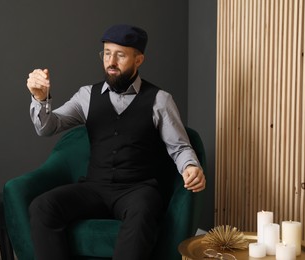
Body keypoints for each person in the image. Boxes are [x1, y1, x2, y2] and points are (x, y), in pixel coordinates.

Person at [26, 24, 206, 260]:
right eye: (107, 53)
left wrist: (191, 166)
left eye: (120, 55)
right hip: (94, 187)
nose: (111, 61)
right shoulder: (87, 95)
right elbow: (47, 127)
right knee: (42, 207)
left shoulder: (160, 100)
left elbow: (179, 147)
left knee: (144, 211)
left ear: (138, 59)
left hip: (138, 190)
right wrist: (40, 100)